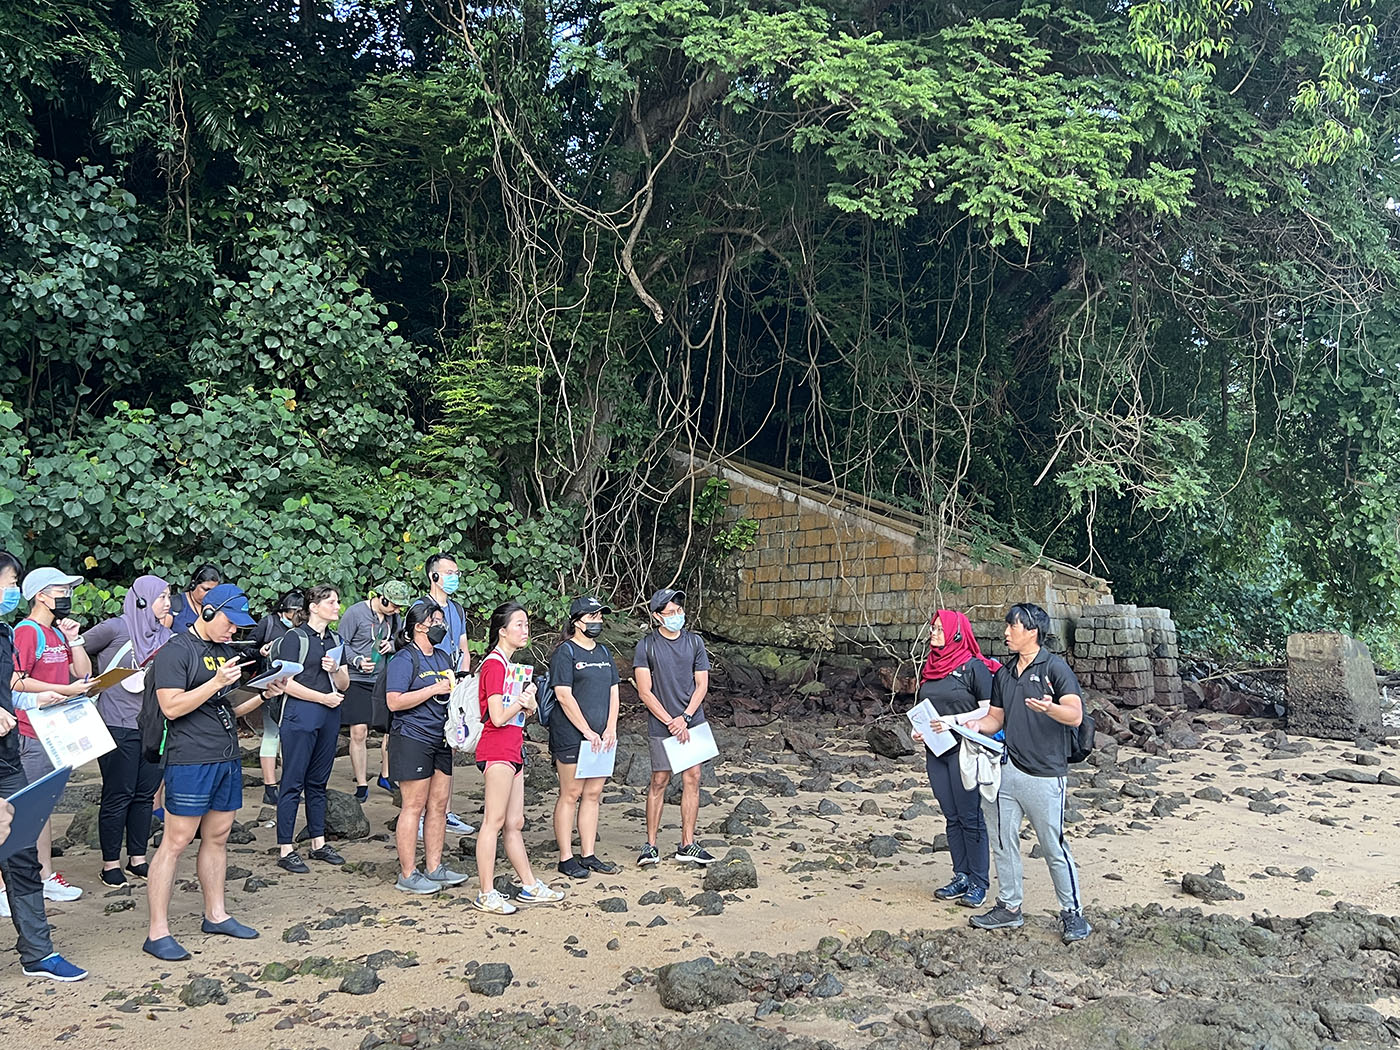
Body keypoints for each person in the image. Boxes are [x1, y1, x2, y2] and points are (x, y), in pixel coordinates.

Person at [143, 582, 270, 960]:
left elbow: (225, 706)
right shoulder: (176, 652)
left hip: (226, 755)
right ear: (209, 612)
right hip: (190, 757)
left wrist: (264, 694)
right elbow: (171, 707)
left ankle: (216, 914)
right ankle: (157, 931)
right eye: (231, 623)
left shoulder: (223, 651)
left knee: (218, 836)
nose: (235, 632)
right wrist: (215, 682)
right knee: (176, 840)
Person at [964, 602, 1092, 944]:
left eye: (1013, 627)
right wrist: (966, 726)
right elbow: (995, 719)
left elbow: (1076, 716)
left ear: (1032, 631)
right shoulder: (1004, 674)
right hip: (1007, 771)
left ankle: (1072, 914)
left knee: (1053, 846)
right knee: (1003, 842)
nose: (1006, 632)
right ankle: (1009, 907)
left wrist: (1051, 707)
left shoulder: (1055, 668)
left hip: (1046, 775)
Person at [0, 551, 86, 980]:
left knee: (21, 846)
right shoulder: (23, 631)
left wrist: (34, 699)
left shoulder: (3, 633)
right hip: (24, 743)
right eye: (8, 581)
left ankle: (37, 953)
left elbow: (11, 690)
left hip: (11, 753)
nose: (11, 591)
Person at [81, 575, 172, 886]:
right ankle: (109, 864)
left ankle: (138, 858)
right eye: (161, 597)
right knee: (118, 794)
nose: (167, 603)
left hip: (153, 726)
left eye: (169, 596)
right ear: (143, 599)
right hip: (116, 722)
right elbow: (77, 651)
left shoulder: (168, 636)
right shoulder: (115, 628)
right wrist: (89, 680)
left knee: (145, 795)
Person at [473, 601, 564, 913]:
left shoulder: (509, 666)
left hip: (512, 748)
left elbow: (508, 714)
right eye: (519, 625)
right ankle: (485, 892)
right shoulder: (494, 665)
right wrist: (523, 701)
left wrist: (526, 707)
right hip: (497, 749)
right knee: (493, 821)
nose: (525, 630)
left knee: (514, 821)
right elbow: (497, 716)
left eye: (526, 624)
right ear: (502, 630)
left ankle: (528, 885)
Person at [10, 565, 93, 901]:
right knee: (24, 808)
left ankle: (44, 874)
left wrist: (74, 640)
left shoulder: (57, 633)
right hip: (31, 731)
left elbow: (83, 674)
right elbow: (16, 680)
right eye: (61, 590)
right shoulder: (27, 632)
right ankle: (14, 882)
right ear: (40, 595)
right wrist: (64, 689)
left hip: (57, 731)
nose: (67, 596)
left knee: (43, 807)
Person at [909, 610, 998, 909]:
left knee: (971, 816)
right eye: (932, 628)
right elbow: (926, 708)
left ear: (957, 633)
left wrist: (953, 721)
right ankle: (960, 875)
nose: (932, 633)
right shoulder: (930, 667)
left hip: (966, 750)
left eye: (938, 629)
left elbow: (989, 711)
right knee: (951, 816)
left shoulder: (974, 668)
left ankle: (979, 882)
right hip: (936, 751)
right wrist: (916, 730)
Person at [386, 600, 468, 893]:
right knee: (413, 806)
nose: (441, 627)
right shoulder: (404, 659)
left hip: (441, 738)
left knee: (439, 805)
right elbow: (393, 701)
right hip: (412, 737)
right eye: (436, 621)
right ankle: (408, 873)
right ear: (419, 626)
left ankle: (434, 867)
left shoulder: (444, 658)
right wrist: (432, 689)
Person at [272, 584, 350, 874]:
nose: (336, 606)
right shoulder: (295, 638)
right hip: (300, 714)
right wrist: (323, 698)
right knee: (292, 780)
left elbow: (345, 684)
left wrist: (335, 671)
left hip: (329, 714)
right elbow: (285, 683)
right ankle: (285, 846)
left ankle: (318, 841)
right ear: (313, 607)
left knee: (318, 781)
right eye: (331, 601)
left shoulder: (335, 639)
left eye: (337, 601)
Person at [633, 587, 715, 866]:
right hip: (661, 723)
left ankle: (687, 843)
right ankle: (651, 844)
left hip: (692, 721)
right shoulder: (647, 646)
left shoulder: (694, 643)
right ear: (658, 616)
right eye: (670, 612)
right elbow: (645, 691)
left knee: (693, 777)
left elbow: (701, 683)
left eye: (679, 611)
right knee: (659, 780)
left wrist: (686, 718)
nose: (677, 616)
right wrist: (670, 721)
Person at [549, 596, 620, 879]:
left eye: (600, 617)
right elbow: (563, 695)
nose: (597, 622)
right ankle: (566, 857)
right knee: (571, 793)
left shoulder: (603, 652)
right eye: (591, 617)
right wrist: (586, 731)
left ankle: (588, 853)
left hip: (603, 737)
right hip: (571, 734)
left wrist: (611, 727)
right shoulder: (565, 652)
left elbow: (614, 691)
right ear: (577, 621)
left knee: (593, 794)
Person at [340, 581, 409, 802]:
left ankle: (386, 775)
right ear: (383, 598)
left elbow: (401, 640)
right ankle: (361, 784)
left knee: (389, 729)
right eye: (394, 606)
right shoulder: (355, 613)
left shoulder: (393, 619)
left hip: (383, 678)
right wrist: (358, 660)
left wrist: (392, 645)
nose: (397, 611)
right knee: (359, 731)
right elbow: (341, 644)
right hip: (358, 678)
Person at [420, 553, 474, 834]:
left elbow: (463, 647)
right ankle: (421, 815)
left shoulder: (457, 609)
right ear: (434, 576)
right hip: (429, 683)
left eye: (457, 573)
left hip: (454, 684)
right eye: (449, 572)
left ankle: (446, 811)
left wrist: (463, 677)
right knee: (427, 746)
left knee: (450, 744)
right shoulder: (420, 608)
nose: (454, 577)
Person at [250, 588, 305, 806]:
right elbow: (249, 648)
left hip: (295, 686)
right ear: (285, 610)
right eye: (295, 611)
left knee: (290, 736)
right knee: (272, 735)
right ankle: (269, 786)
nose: (298, 616)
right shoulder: (268, 623)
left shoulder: (301, 628)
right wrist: (262, 651)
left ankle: (288, 784)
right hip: (270, 685)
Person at [169, 564, 222, 634]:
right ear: (193, 585)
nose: (209, 594)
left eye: (213, 591)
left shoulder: (217, 608)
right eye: (206, 589)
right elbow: (161, 637)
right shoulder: (175, 604)